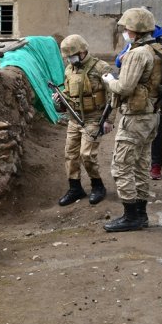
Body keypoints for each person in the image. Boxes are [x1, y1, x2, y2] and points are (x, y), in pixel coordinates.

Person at [102, 7, 162, 232]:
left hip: (136, 118)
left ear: (135, 30)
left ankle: (130, 216)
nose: (125, 31)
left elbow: (123, 87)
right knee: (141, 165)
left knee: (121, 166)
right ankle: (141, 215)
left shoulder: (137, 53)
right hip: (152, 115)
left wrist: (108, 80)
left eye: (127, 28)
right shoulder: (158, 50)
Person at [53, 34, 113, 206]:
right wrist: (59, 97)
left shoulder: (101, 67)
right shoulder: (69, 70)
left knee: (87, 155)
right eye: (68, 57)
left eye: (72, 55)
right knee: (70, 155)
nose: (70, 60)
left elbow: (113, 95)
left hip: (94, 118)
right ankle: (75, 188)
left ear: (82, 51)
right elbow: (68, 91)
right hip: (74, 118)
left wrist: (109, 120)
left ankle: (97, 186)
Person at [115, 24, 162, 180]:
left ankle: (156, 165)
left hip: (157, 94)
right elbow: (118, 61)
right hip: (137, 95)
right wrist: (123, 57)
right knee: (134, 131)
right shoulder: (135, 41)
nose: (126, 32)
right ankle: (139, 165)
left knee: (156, 131)